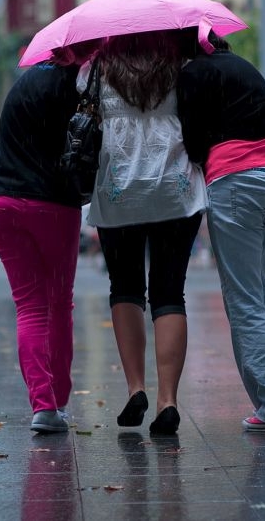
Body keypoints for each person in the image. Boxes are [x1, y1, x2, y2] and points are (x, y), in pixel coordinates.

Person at [83, 30, 207, 435]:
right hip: (174, 188)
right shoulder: (180, 67)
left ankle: (136, 387)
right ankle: (167, 399)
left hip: (120, 193)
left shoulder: (95, 69)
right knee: (170, 291)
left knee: (125, 289)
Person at [176, 31, 265, 433]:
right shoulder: (245, 67)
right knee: (258, 292)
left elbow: (192, 140)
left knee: (244, 299)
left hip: (238, 181)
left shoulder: (193, 73)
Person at [0, 43, 97, 434]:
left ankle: (41, 405)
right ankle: (58, 402)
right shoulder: (78, 90)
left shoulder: (23, 83)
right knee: (58, 303)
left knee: (29, 307)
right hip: (52, 204)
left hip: (1, 204)